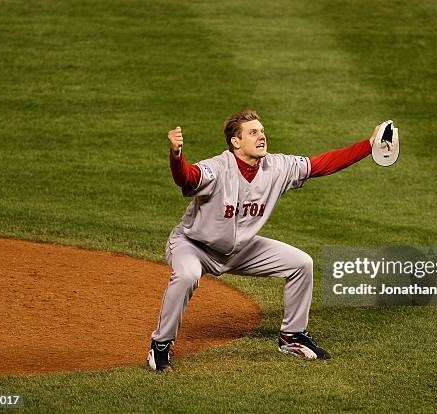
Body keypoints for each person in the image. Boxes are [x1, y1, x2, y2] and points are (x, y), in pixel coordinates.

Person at [148, 109, 381, 372]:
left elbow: (321, 164)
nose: (262, 136)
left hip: (239, 250)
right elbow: (187, 177)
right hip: (192, 245)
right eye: (253, 132)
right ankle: (161, 345)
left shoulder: (278, 166)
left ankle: (292, 337)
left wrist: (369, 146)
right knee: (188, 275)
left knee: (301, 263)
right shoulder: (217, 167)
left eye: (262, 131)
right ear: (236, 142)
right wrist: (176, 156)